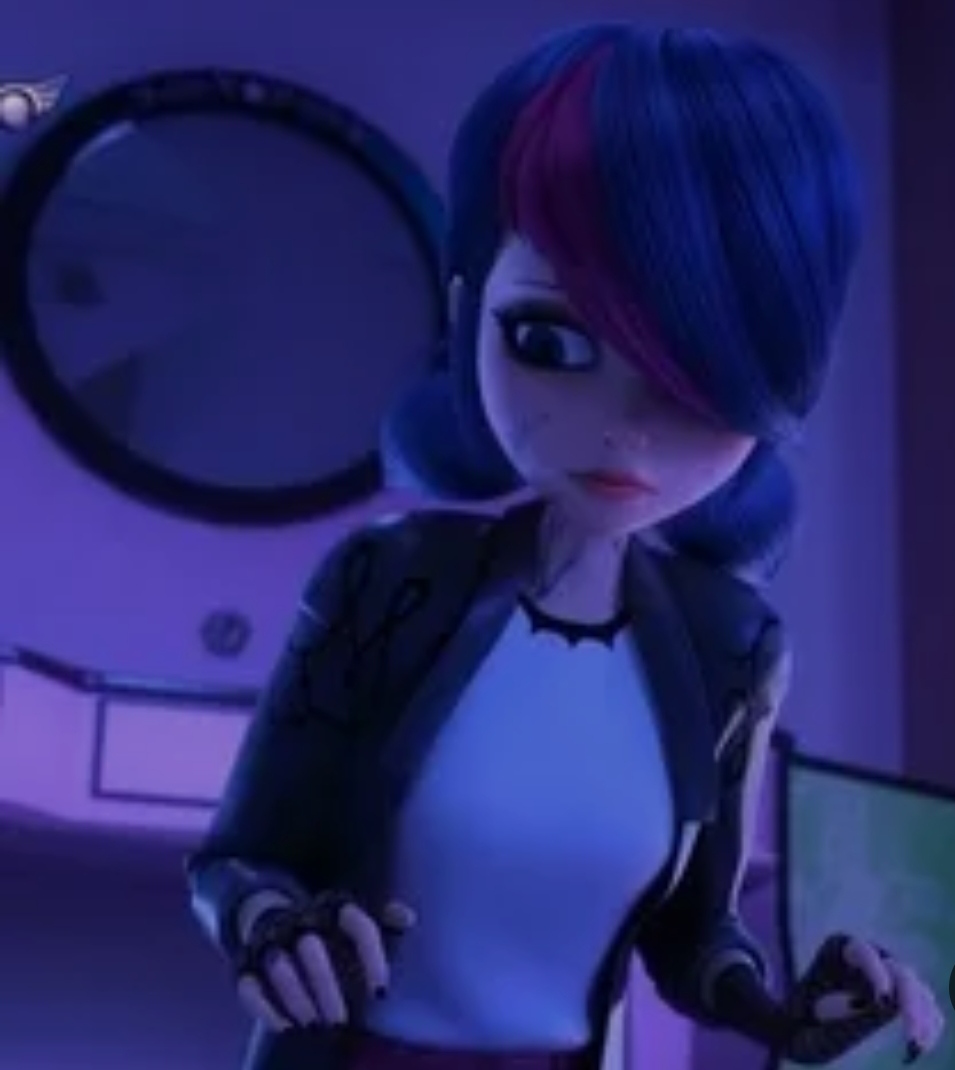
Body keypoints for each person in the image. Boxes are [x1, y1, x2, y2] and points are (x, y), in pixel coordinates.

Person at [186, 24, 945, 1070]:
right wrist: (273, 924)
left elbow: (693, 937)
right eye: (550, 341)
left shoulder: (731, 644)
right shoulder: (388, 580)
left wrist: (789, 1015)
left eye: (692, 379)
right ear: (470, 311)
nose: (625, 429)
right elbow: (239, 857)